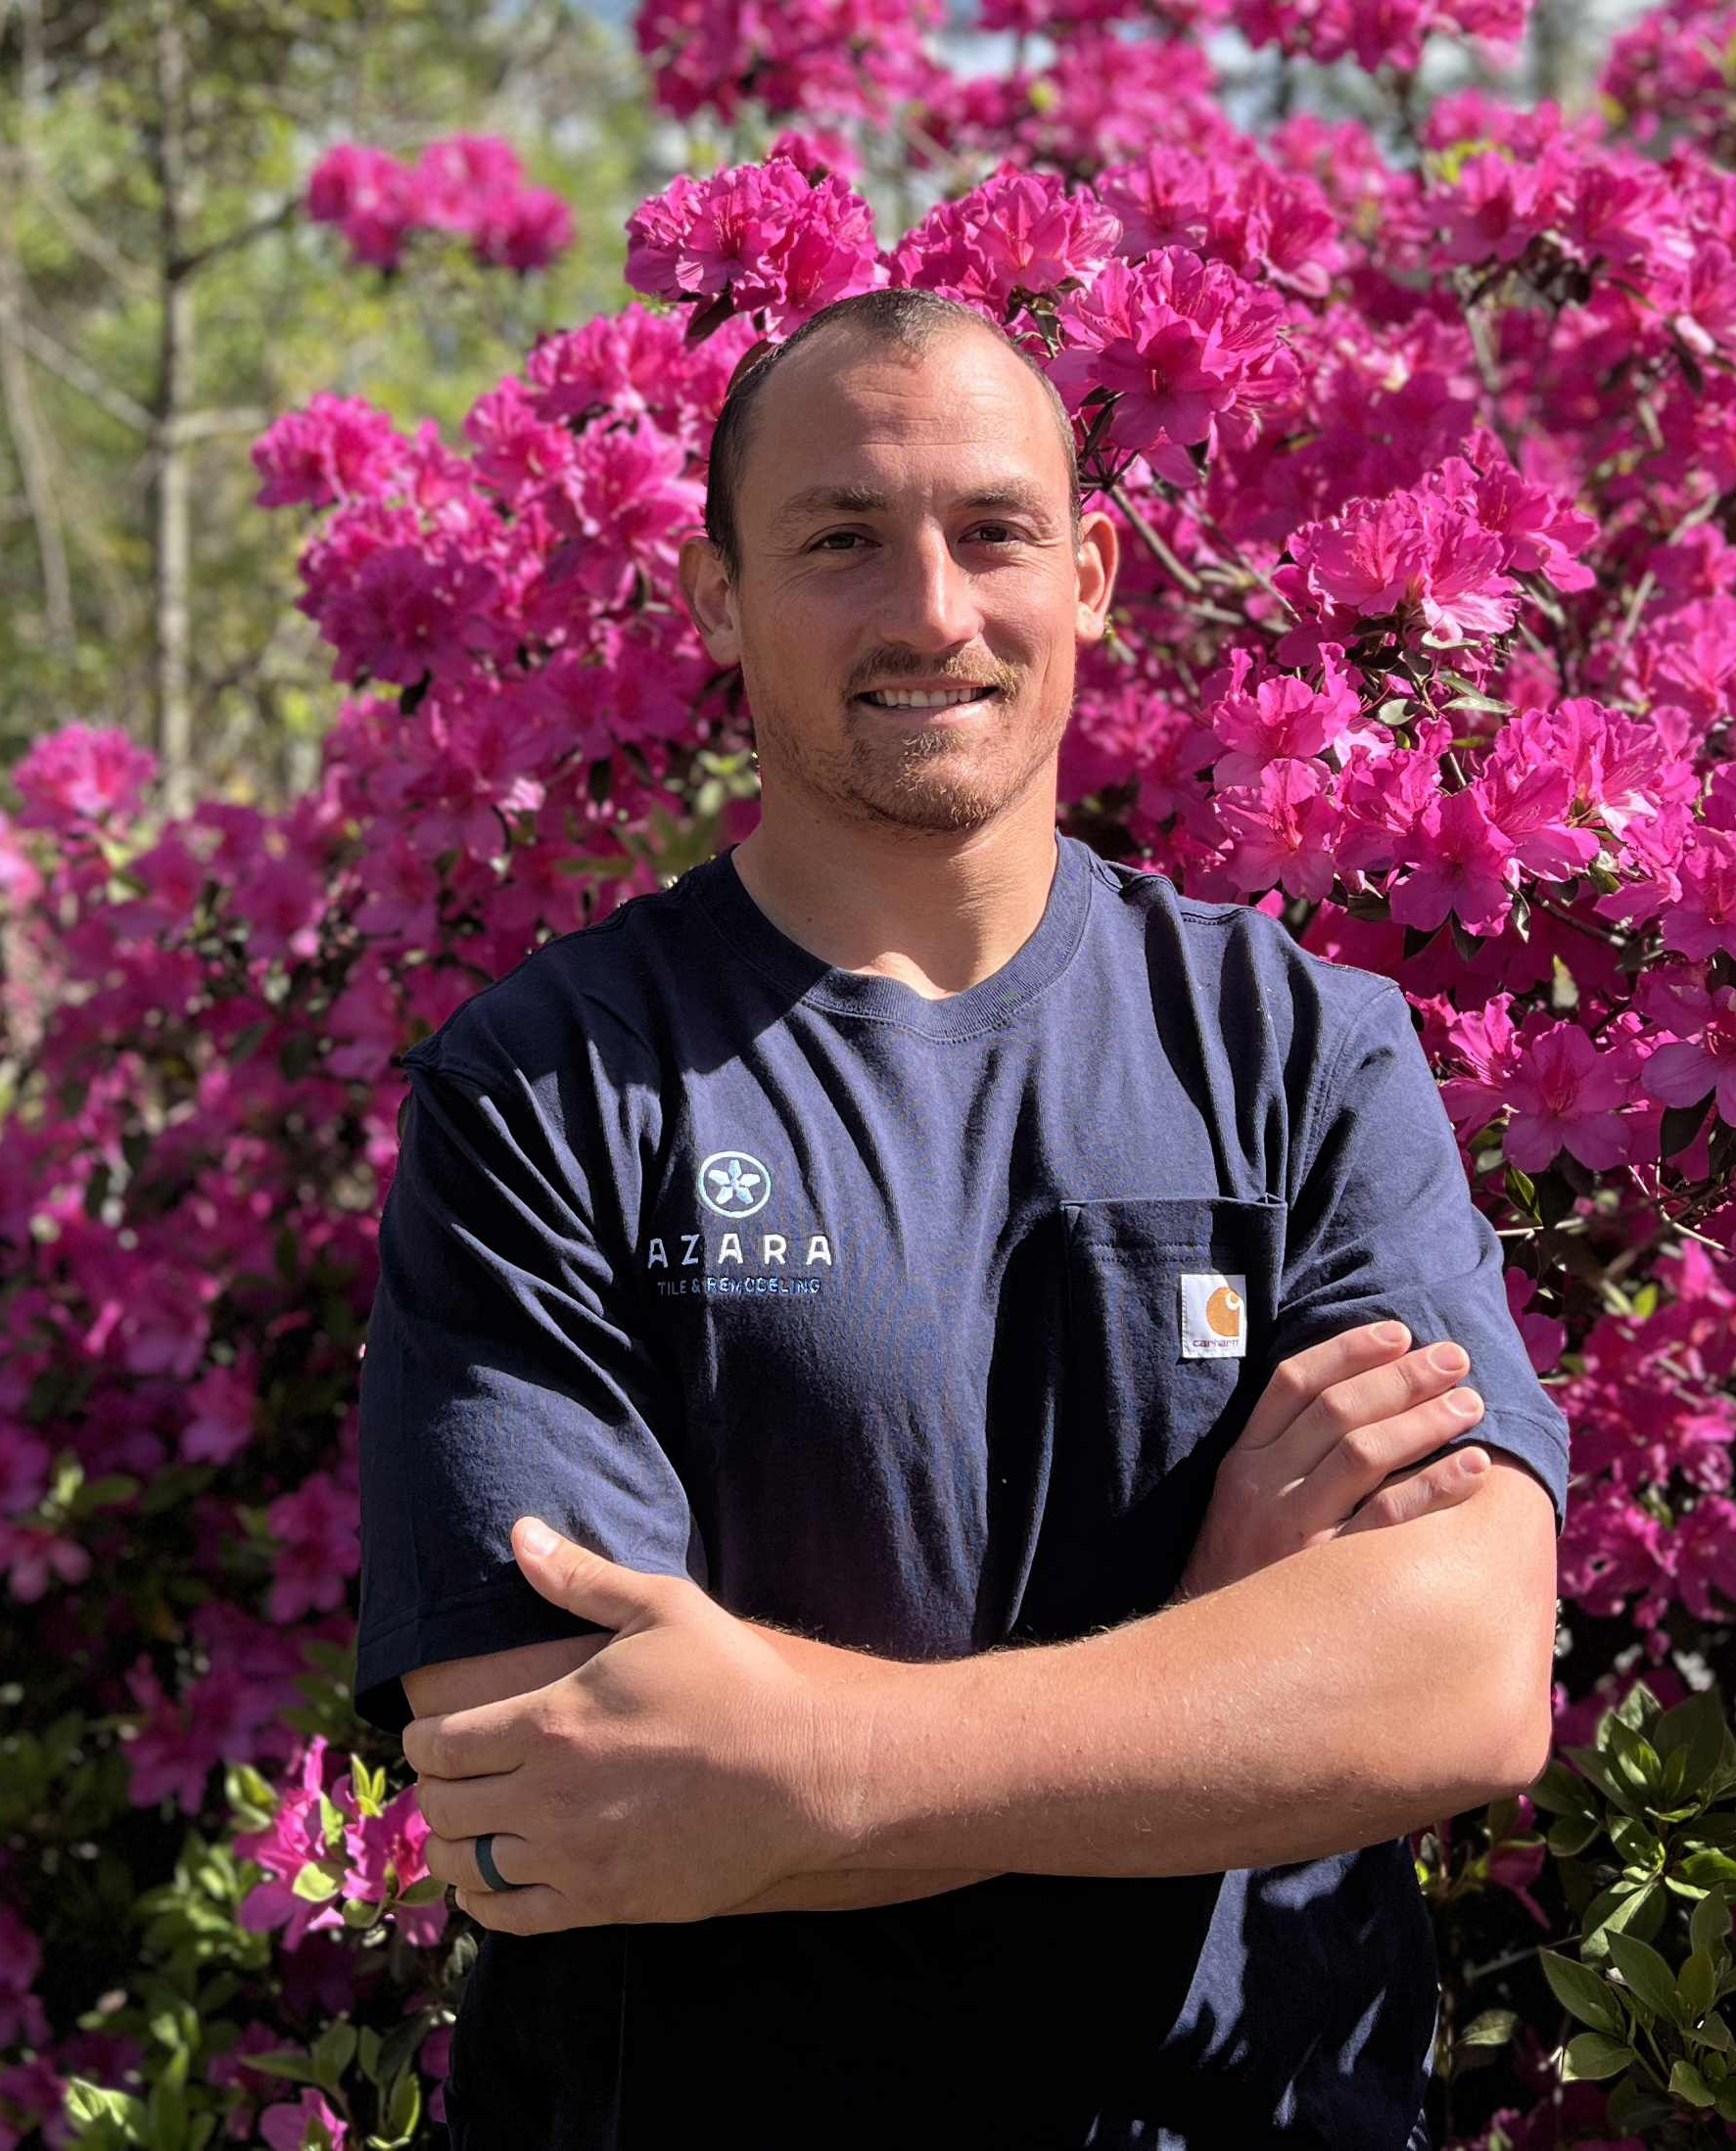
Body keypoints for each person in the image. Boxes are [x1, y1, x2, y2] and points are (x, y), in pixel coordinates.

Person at [354, 288, 1567, 2150]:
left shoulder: (1296, 1049)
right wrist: (1227, 1643)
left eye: (991, 531)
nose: (932, 609)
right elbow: (566, 1787)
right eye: (840, 540)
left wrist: (817, 1760)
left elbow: (1460, 1682)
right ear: (713, 602)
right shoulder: (550, 1084)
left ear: (1087, 572)